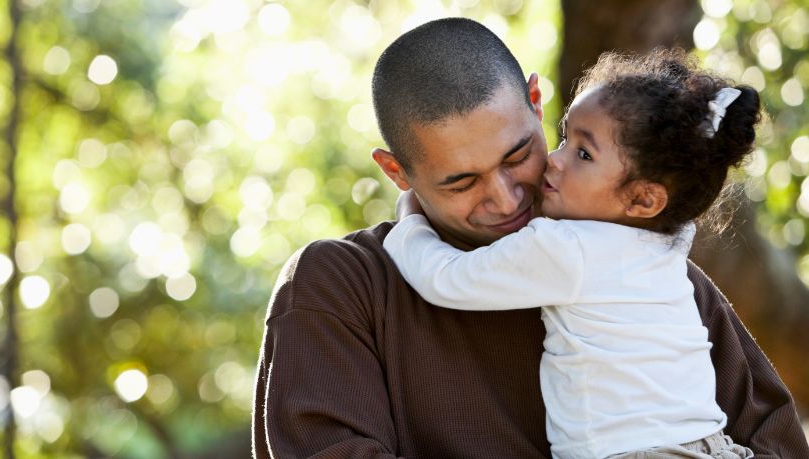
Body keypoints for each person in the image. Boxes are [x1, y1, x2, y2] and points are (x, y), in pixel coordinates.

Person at [252, 18, 809, 458]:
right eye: (462, 183)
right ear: (397, 172)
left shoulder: (644, 268)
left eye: (518, 155)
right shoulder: (340, 285)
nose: (506, 198)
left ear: (538, 105)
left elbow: (775, 440)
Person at [382, 49, 758, 459]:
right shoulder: (669, 242)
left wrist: (409, 222)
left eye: (583, 154)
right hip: (710, 444)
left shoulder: (564, 248)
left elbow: (446, 278)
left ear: (644, 199)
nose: (555, 161)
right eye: (565, 139)